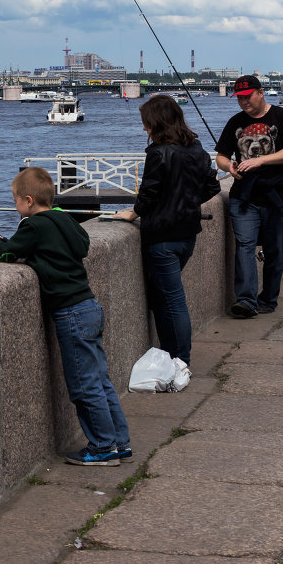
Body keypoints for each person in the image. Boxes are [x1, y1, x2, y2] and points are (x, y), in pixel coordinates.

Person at [0, 167, 130, 466]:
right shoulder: (65, 219)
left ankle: (103, 448)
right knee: (101, 381)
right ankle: (121, 443)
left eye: (16, 201)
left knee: (84, 386)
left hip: (71, 313)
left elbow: (5, 253)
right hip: (89, 307)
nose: (15, 206)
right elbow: (82, 244)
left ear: (28, 201)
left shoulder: (34, 225)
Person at [112, 95, 221, 368]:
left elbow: (148, 195)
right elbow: (212, 187)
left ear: (157, 122)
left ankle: (180, 360)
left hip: (162, 238)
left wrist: (132, 213)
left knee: (172, 300)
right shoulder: (197, 150)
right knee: (163, 298)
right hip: (187, 235)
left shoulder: (158, 153)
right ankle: (168, 354)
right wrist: (186, 203)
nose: (144, 129)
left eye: (147, 123)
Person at [214, 75, 283, 318]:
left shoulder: (282, 117)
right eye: (239, 98)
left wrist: (260, 160)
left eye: (247, 96)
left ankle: (268, 299)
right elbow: (220, 156)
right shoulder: (235, 122)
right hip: (245, 197)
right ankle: (246, 301)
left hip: (277, 196)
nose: (243, 102)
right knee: (245, 246)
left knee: (275, 250)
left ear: (260, 92)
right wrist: (228, 167)